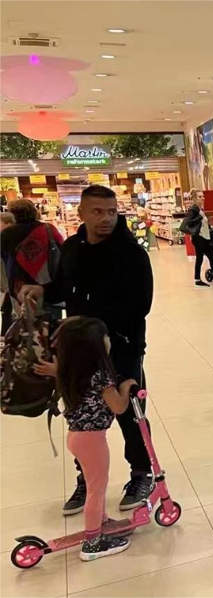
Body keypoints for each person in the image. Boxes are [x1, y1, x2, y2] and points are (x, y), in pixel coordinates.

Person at [21, 185, 155, 515]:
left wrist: (99, 328)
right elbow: (64, 287)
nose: (106, 218)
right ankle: (87, 478)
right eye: (97, 211)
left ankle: (142, 473)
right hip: (78, 349)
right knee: (81, 416)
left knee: (129, 411)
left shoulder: (131, 253)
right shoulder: (72, 248)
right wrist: (42, 290)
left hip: (121, 346)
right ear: (81, 212)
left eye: (111, 212)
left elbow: (141, 305)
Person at [53, 317, 137, 561]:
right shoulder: (100, 376)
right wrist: (126, 387)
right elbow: (119, 407)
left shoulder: (72, 371)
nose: (109, 341)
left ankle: (101, 522)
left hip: (77, 436)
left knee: (94, 485)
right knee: (96, 489)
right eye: (105, 337)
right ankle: (93, 542)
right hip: (92, 440)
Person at [1, 199, 63, 332]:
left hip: (19, 285)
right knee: (50, 324)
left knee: (25, 324)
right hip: (47, 281)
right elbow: (61, 249)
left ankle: (29, 348)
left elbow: (3, 261)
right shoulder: (48, 229)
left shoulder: (6, 234)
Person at [185, 191, 213, 287]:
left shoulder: (200, 209)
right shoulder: (193, 209)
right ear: (194, 198)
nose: (202, 198)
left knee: (211, 256)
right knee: (200, 258)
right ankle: (197, 279)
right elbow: (188, 222)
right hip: (199, 237)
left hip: (204, 237)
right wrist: (199, 217)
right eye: (200, 197)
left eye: (203, 196)